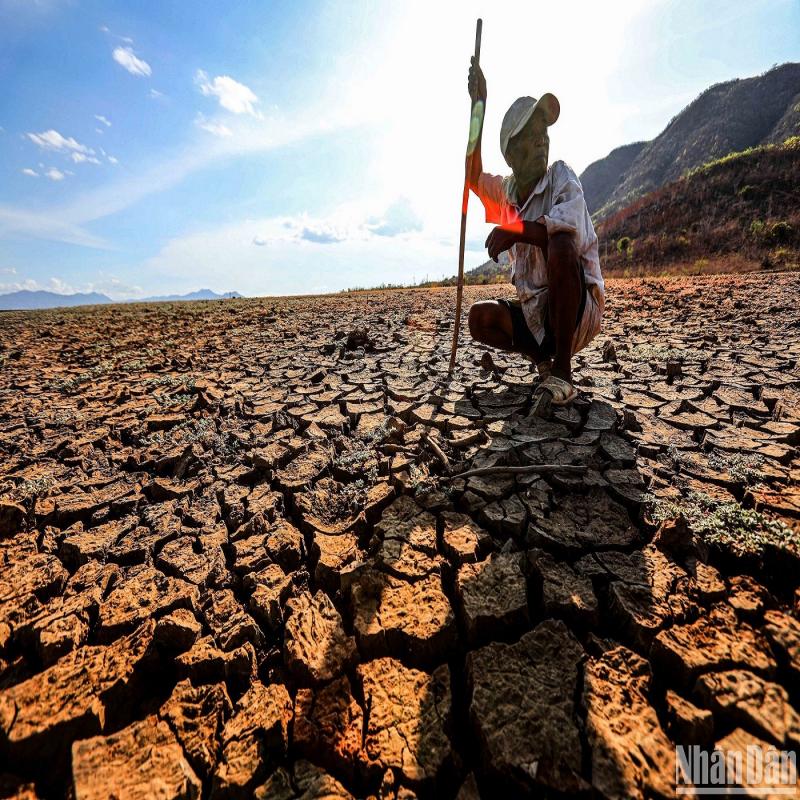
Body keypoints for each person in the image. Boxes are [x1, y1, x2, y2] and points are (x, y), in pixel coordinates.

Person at [466, 56, 604, 406]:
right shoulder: (507, 191)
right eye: (532, 135)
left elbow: (565, 231)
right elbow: (472, 176)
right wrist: (478, 106)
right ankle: (541, 358)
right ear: (511, 153)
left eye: (544, 132)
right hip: (535, 316)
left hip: (576, 312)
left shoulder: (561, 175)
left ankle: (562, 372)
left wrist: (514, 229)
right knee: (479, 318)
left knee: (559, 243)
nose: (543, 140)